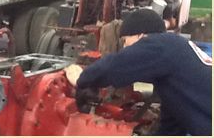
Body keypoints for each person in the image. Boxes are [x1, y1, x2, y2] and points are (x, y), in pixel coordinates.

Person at [67, 9, 212, 136]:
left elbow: (116, 65)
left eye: (125, 40)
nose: (124, 46)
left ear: (140, 36)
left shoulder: (160, 44)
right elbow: (173, 123)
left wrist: (82, 78)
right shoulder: (175, 51)